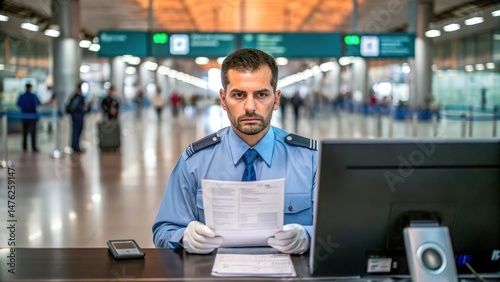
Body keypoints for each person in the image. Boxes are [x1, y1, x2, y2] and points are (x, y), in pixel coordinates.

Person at [152, 48, 318, 255]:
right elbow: (163, 230)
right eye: (239, 95)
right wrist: (184, 236)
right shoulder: (195, 162)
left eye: (261, 94)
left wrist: (309, 236)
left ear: (276, 100)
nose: (250, 106)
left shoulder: (311, 160)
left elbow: (339, 231)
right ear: (223, 99)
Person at [17, 83, 41, 152]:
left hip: (24, 116)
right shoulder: (33, 96)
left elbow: (18, 103)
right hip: (32, 116)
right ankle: (33, 147)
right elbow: (38, 103)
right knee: (33, 132)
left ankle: (24, 147)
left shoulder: (22, 96)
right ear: (30, 87)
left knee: (25, 132)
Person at [66, 82, 89, 153]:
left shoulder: (74, 96)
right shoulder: (78, 97)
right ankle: (75, 147)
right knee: (76, 131)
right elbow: (80, 107)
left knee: (77, 131)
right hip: (77, 116)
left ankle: (76, 146)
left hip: (77, 115)